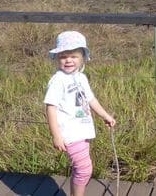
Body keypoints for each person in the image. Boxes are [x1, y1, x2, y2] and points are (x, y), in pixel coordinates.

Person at [44, 30, 116, 196]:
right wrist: (56, 136)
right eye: (63, 56)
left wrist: (105, 115)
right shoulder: (58, 80)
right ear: (57, 58)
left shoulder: (81, 78)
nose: (68, 60)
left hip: (82, 130)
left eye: (74, 56)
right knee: (84, 169)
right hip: (69, 133)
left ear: (82, 57)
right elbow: (50, 107)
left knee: (79, 169)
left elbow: (91, 99)